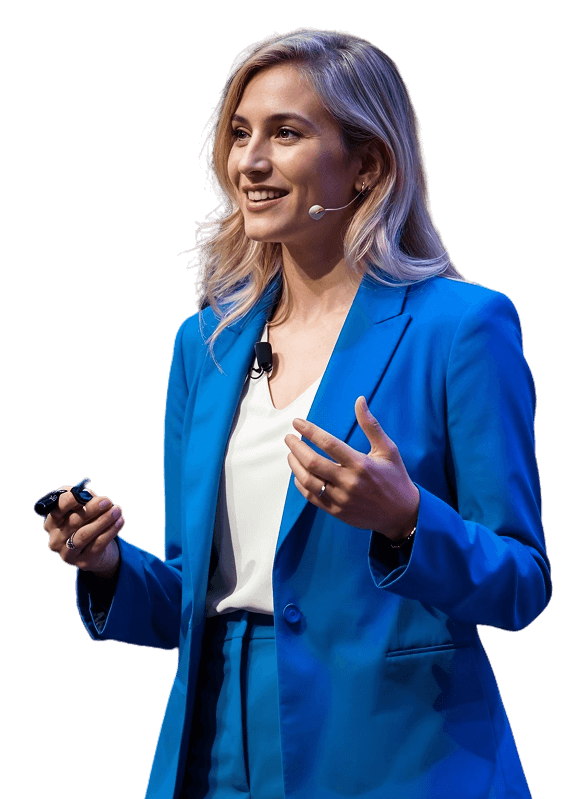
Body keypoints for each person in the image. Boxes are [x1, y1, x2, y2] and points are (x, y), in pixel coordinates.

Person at [41, 28, 551, 799]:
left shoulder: (460, 327)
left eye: (285, 133)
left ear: (367, 163)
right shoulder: (204, 344)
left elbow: (522, 582)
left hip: (391, 751)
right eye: (240, 133)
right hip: (211, 740)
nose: (249, 161)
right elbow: (189, 599)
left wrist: (408, 520)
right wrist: (107, 563)